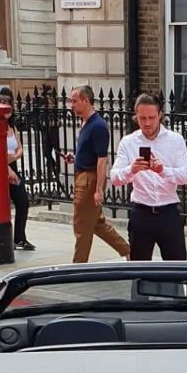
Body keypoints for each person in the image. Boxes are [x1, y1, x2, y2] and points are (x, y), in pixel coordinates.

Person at [110, 93, 187, 261]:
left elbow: (185, 176)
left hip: (168, 212)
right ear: (136, 117)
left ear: (160, 114)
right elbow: (115, 178)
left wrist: (163, 170)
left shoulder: (175, 140)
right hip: (141, 212)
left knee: (176, 266)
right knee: (139, 266)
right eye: (142, 118)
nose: (147, 123)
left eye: (151, 118)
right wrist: (132, 169)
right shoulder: (128, 142)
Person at [65, 84, 130, 263]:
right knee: (97, 223)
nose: (71, 105)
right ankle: (127, 250)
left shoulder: (98, 126)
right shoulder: (86, 123)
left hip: (88, 180)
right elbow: (91, 153)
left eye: (75, 101)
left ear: (86, 101)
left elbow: (102, 159)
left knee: (81, 225)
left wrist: (98, 190)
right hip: (82, 175)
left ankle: (78, 267)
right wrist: (75, 157)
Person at [6, 116, 35, 250]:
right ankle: (6, 238)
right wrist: (7, 167)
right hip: (3, 168)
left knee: (23, 202)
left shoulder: (13, 128)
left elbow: (20, 148)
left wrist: (14, 157)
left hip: (13, 167)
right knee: (4, 205)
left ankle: (20, 238)